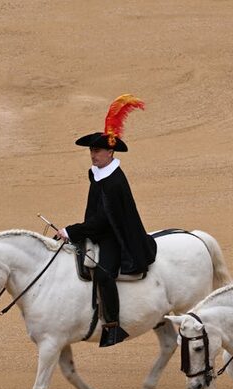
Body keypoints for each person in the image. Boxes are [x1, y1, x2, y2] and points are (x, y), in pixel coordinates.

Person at [55, 94, 157, 347]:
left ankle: (112, 326)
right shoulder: (98, 173)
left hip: (114, 236)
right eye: (91, 150)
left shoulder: (114, 182)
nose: (93, 154)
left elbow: (104, 220)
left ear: (110, 151)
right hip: (98, 229)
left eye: (97, 150)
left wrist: (73, 230)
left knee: (102, 274)